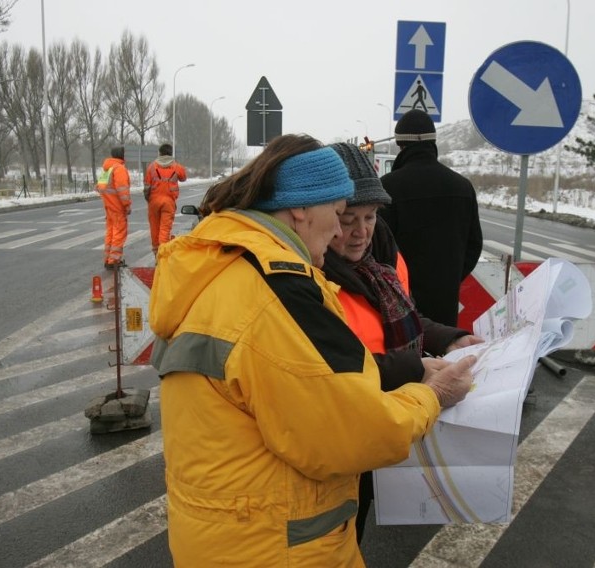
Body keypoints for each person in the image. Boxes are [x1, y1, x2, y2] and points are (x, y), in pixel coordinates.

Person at [149, 133, 477, 567]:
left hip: (231, 532)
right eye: (339, 213)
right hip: (276, 547)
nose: (344, 230)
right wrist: (433, 395)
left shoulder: (223, 267)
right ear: (301, 208)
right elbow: (352, 431)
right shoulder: (276, 290)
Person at [325, 142, 483, 543]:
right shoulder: (310, 275)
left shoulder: (380, 259)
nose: (361, 231)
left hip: (384, 418)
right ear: (322, 216)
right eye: (348, 219)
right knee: (337, 533)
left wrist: (450, 337)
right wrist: (415, 368)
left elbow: (401, 318)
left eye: (371, 216)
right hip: (339, 431)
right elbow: (326, 366)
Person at [380, 109, 483, 327]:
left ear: (400, 145)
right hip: (445, 306)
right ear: (433, 142)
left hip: (398, 304)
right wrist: (450, 277)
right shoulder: (462, 187)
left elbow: (379, 248)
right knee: (443, 356)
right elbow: (474, 245)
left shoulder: (388, 187)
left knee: (408, 359)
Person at [144, 143, 187, 256]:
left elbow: (147, 187)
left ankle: (156, 252)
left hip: (154, 201)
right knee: (165, 228)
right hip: (169, 201)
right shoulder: (176, 167)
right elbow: (184, 177)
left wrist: (148, 199)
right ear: (170, 153)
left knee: (154, 227)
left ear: (160, 153)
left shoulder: (151, 167)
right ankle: (162, 255)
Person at [95, 145, 132, 269]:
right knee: (119, 233)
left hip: (109, 208)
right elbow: (123, 191)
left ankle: (108, 258)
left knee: (111, 233)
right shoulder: (119, 169)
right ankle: (114, 261)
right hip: (117, 208)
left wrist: (108, 201)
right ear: (122, 155)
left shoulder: (108, 169)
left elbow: (99, 187)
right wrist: (126, 206)